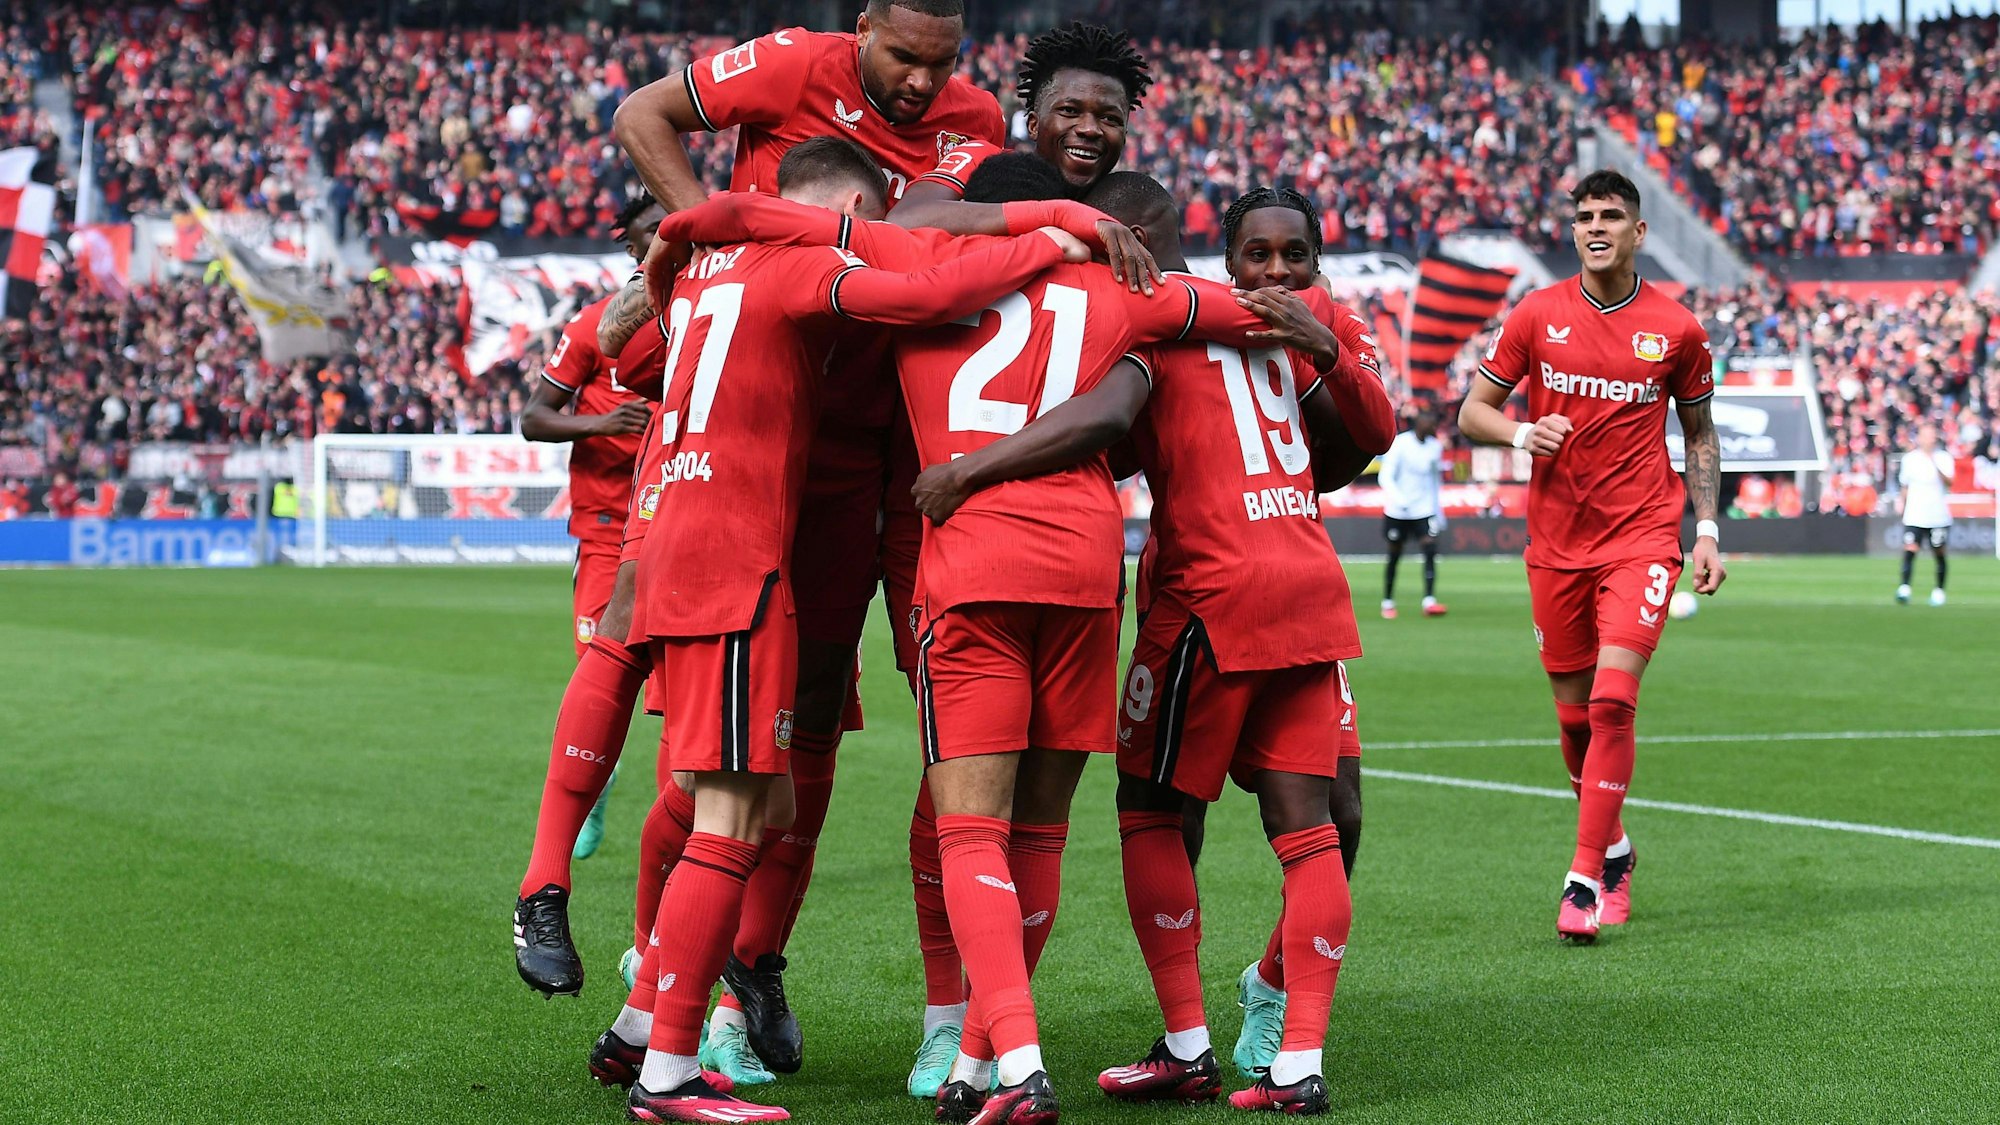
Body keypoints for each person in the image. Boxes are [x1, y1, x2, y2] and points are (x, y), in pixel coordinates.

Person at [590, 137, 1088, 1125]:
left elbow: (617, 343)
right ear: (853, 206)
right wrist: (1051, 232)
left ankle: (646, 1025)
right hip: (741, 554)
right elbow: (918, 295)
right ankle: (669, 1066)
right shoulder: (807, 266)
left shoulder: (707, 265)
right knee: (732, 817)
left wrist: (662, 263)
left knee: (737, 802)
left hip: (695, 541)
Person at [906, 176, 1393, 1115]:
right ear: (1223, 256)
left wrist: (967, 470)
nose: (1278, 271)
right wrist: (1324, 350)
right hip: (1311, 587)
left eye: (1293, 255)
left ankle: (1186, 1041)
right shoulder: (1303, 333)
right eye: (1262, 255)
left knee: (1148, 808)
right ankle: (1298, 1063)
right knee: (1316, 828)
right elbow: (1363, 437)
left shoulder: (1160, 329)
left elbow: (1101, 427)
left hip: (1208, 594)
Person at [609, 3, 1009, 1076]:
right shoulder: (789, 66)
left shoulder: (975, 120)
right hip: (807, 461)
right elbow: (642, 113)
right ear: (863, 26)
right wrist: (711, 245)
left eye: (942, 62)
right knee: (785, 722)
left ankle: (941, 1016)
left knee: (962, 718)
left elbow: (948, 231)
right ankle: (695, 987)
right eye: (901, 57)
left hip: (928, 442)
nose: (922, 83)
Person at [1457, 169, 1726, 944]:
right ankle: (1616, 844)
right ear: (1572, 232)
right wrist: (1518, 434)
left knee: (1612, 701)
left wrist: (1705, 529)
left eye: (1612, 215)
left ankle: (1584, 874)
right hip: (1557, 544)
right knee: (1574, 720)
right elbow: (1473, 409)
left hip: (1643, 535)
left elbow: (1700, 433)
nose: (1596, 226)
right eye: (1584, 217)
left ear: (1640, 232)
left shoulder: (1677, 328)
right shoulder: (1537, 315)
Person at [516, 192, 662, 886]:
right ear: (633, 253)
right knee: (602, 674)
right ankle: (592, 793)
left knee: (677, 689)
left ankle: (682, 830)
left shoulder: (709, 316)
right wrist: (603, 427)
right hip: (608, 530)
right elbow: (533, 418)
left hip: (681, 522)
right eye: (651, 233)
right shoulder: (592, 330)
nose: (667, 237)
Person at [1378, 408, 1447, 619]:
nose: (1434, 428)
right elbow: (1386, 477)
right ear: (1420, 423)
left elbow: (1435, 481)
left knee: (1429, 549)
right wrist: (1400, 500)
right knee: (1394, 554)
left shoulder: (1435, 448)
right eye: (1431, 423)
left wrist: (1438, 511)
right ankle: (1388, 601)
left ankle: (1429, 600)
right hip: (1398, 511)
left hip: (1423, 510)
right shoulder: (1399, 444)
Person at [1895, 423, 1953, 606]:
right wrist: (1902, 503)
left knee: (1939, 552)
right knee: (1910, 549)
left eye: (1932, 434)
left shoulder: (1944, 458)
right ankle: (1904, 588)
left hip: (1937, 515)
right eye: (1926, 435)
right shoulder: (1910, 459)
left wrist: (1934, 463)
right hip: (1915, 514)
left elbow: (1949, 482)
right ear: (1918, 438)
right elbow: (1905, 485)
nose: (1930, 438)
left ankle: (1939, 591)